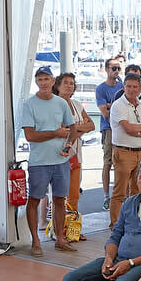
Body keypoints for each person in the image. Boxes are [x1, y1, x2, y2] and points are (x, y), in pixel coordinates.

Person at [21, 66, 81, 255]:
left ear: (53, 81)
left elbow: (73, 128)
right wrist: (55, 133)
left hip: (60, 161)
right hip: (39, 162)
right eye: (40, 79)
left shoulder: (61, 103)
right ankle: (35, 241)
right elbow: (30, 135)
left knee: (60, 200)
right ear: (36, 82)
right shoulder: (29, 104)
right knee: (34, 200)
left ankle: (60, 239)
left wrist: (68, 145)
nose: (43, 83)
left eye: (46, 79)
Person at [109, 73, 141, 222]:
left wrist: (137, 130)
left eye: (135, 87)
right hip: (123, 152)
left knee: (138, 190)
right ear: (123, 87)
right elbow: (128, 128)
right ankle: (115, 225)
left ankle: (133, 223)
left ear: (140, 89)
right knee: (120, 192)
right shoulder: (118, 105)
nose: (131, 89)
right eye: (128, 86)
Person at [56, 71, 94, 220]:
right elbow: (61, 130)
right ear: (58, 85)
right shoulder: (54, 105)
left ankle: (71, 226)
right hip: (60, 154)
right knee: (59, 196)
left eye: (71, 83)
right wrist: (80, 128)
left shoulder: (77, 104)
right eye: (65, 82)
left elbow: (91, 125)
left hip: (76, 155)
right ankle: (58, 227)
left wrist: (74, 129)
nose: (69, 86)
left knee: (74, 194)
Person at [95, 57, 124, 205]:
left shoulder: (122, 86)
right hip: (109, 129)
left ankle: (120, 194)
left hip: (123, 129)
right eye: (113, 68)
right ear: (106, 70)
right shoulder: (101, 89)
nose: (116, 71)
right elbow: (105, 113)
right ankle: (106, 195)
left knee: (122, 162)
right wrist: (114, 106)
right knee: (108, 161)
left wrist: (110, 105)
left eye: (118, 68)